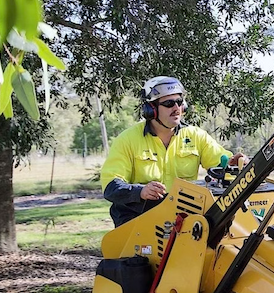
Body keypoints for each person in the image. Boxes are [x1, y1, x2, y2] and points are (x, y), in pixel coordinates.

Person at [101, 76, 247, 226]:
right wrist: (140, 191)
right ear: (151, 109)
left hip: (183, 222)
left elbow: (223, 164)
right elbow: (111, 186)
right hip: (138, 221)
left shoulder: (196, 136)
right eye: (169, 103)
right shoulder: (127, 140)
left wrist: (235, 164)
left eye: (179, 102)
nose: (176, 108)